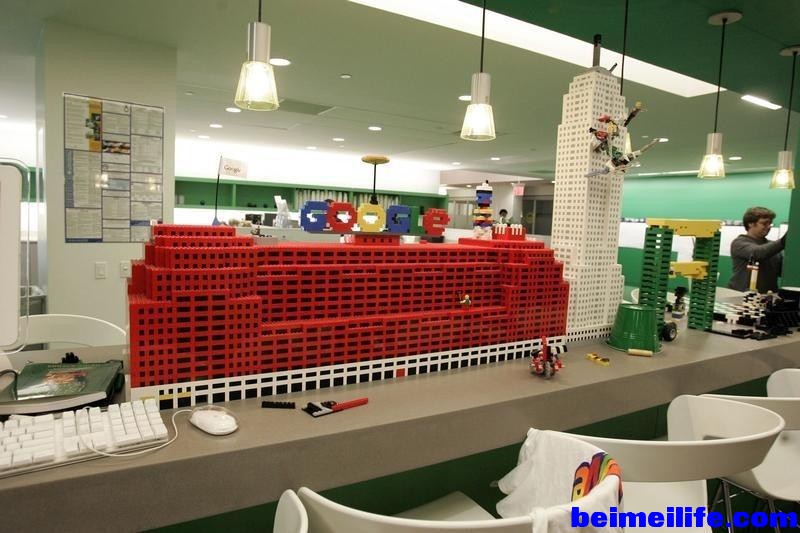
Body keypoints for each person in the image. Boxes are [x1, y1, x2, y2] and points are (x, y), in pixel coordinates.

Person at [728, 207, 787, 293]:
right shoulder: (739, 243)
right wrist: (784, 241)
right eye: (764, 223)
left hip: (767, 297)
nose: (768, 227)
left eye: (770, 223)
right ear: (750, 223)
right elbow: (758, 253)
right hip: (740, 296)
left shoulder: (773, 247)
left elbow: (784, 272)